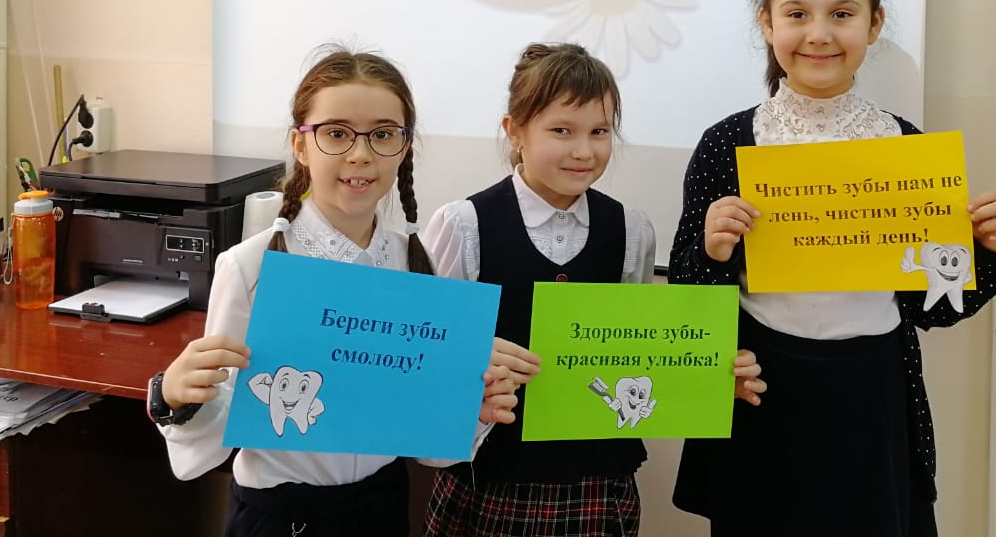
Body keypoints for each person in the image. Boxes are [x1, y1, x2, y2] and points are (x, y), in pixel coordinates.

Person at [668, 0, 996, 536]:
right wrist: (713, 249)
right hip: (763, 391)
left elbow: (932, 307)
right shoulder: (727, 144)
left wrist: (986, 254)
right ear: (766, 23)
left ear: (874, 23)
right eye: (796, 14)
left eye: (842, 14)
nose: (819, 34)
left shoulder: (905, 147)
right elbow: (690, 297)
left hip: (871, 391)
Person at [148, 48, 519, 537]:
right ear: (300, 145)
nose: (360, 154)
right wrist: (173, 396)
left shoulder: (413, 263)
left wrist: (471, 410)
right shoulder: (250, 266)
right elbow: (211, 438)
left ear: (404, 146)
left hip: (381, 506)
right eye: (337, 133)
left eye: (383, 134)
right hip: (279, 515)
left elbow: (426, 443)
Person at [421, 42, 765, 537]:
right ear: (515, 130)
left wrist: (709, 378)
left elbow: (641, 353)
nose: (584, 150)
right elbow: (433, 359)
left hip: (597, 482)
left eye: (599, 131)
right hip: (491, 477)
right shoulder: (463, 224)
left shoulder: (631, 229)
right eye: (562, 130)